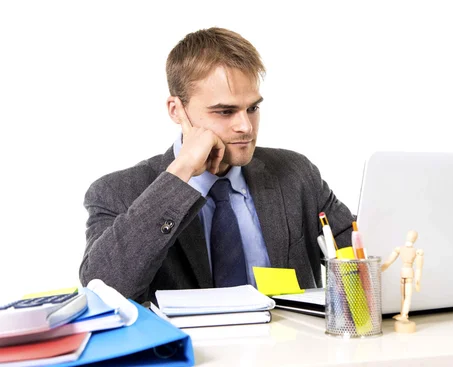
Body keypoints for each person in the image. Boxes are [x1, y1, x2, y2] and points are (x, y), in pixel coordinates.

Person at [79, 28, 354, 303]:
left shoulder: (296, 174)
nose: (245, 127)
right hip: (193, 346)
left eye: (252, 109)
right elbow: (103, 290)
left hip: (291, 343)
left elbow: (363, 257)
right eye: (225, 111)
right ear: (177, 110)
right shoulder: (117, 192)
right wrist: (180, 172)